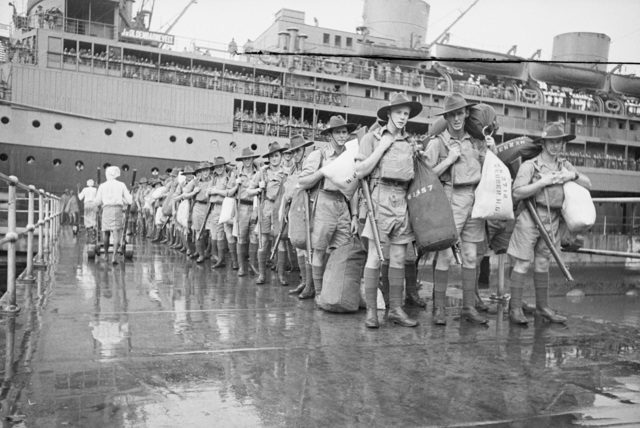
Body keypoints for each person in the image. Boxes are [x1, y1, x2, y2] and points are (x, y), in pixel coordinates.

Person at [507, 122, 591, 325]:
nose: (555, 146)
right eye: (551, 142)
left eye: (559, 142)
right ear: (543, 144)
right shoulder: (530, 165)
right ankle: (515, 308)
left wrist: (573, 175)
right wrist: (541, 183)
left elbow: (588, 184)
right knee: (523, 263)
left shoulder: (565, 165)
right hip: (531, 216)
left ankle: (542, 308)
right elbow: (517, 192)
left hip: (553, 220)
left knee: (543, 263)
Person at [355, 93, 421, 328]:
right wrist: (382, 148)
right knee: (374, 255)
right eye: (399, 112)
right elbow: (360, 171)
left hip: (402, 199)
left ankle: (395, 309)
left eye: (406, 113)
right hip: (379, 196)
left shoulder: (409, 142)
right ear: (389, 113)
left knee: (399, 257)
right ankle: (372, 312)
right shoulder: (372, 138)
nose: (403, 117)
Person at [424, 92, 489, 326]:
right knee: (445, 256)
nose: (456, 118)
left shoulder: (475, 141)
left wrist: (488, 151)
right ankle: (439, 309)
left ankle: (468, 307)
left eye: (460, 113)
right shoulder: (437, 142)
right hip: (451, 197)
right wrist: (449, 159)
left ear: (466, 113)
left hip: (474, 199)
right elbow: (425, 176)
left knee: (471, 256)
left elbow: (485, 169)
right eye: (451, 114)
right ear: (447, 117)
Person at [299, 116, 359, 300]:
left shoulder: (351, 156)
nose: (342, 136)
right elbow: (303, 182)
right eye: (338, 132)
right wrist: (323, 171)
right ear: (330, 136)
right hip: (324, 203)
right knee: (318, 250)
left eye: (344, 132)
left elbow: (354, 187)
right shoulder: (319, 155)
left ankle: (334, 292)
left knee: (342, 250)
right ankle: (318, 293)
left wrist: (355, 215)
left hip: (343, 204)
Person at [279, 135, 314, 294]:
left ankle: (310, 286)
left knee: (307, 247)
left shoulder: (310, 164)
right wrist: (284, 208)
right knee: (298, 246)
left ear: (304, 149)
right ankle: (304, 281)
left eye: (298, 150)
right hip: (295, 207)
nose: (296, 154)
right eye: (293, 152)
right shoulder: (293, 168)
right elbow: (288, 192)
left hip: (307, 207)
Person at [248, 142, 288, 284]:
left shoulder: (287, 172)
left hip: (280, 208)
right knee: (263, 240)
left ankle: (281, 275)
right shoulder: (262, 172)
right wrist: (259, 189)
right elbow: (249, 190)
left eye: (276, 155)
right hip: (266, 207)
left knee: (280, 241)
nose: (274, 159)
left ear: (281, 156)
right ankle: (262, 274)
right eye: (271, 156)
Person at [230, 148, 260, 276]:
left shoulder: (259, 173)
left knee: (254, 237)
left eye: (249, 158)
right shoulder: (236, 174)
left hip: (254, 206)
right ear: (242, 160)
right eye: (245, 159)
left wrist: (256, 210)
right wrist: (236, 184)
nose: (247, 161)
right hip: (241, 206)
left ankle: (252, 265)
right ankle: (242, 266)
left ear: (253, 159)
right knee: (241, 237)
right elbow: (230, 191)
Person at [95, 166, 133, 264]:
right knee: (116, 233)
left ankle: (107, 255)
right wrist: (123, 199)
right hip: (117, 209)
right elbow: (130, 200)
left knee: (106, 232)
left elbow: (97, 201)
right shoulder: (121, 185)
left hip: (106, 209)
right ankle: (114, 256)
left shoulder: (102, 186)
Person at [206, 157, 237, 269]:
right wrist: (211, 192)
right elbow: (207, 193)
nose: (218, 169)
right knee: (218, 234)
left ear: (224, 166)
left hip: (227, 207)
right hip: (216, 208)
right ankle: (221, 259)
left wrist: (216, 191)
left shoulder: (229, 178)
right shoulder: (213, 179)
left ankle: (235, 261)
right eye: (216, 167)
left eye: (220, 166)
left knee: (229, 234)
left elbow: (229, 193)